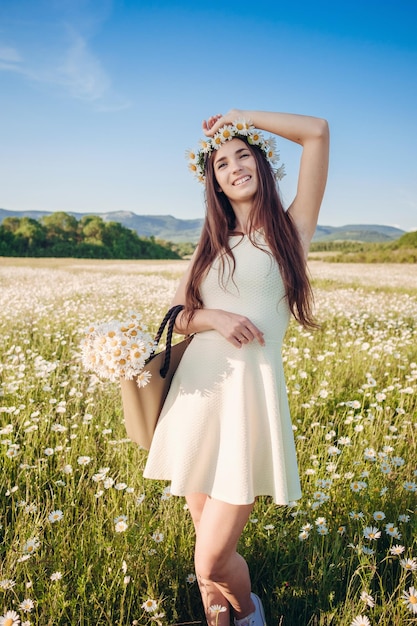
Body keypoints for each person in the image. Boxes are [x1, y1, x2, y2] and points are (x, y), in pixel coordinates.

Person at [143, 109, 329, 626]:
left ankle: (250, 615)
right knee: (206, 548)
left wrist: (243, 118)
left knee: (211, 557)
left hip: (248, 401)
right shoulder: (210, 244)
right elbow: (178, 317)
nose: (234, 167)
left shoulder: (291, 228)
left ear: (263, 164)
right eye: (221, 164)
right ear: (215, 184)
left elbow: (317, 133)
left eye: (243, 155)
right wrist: (214, 317)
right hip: (196, 401)